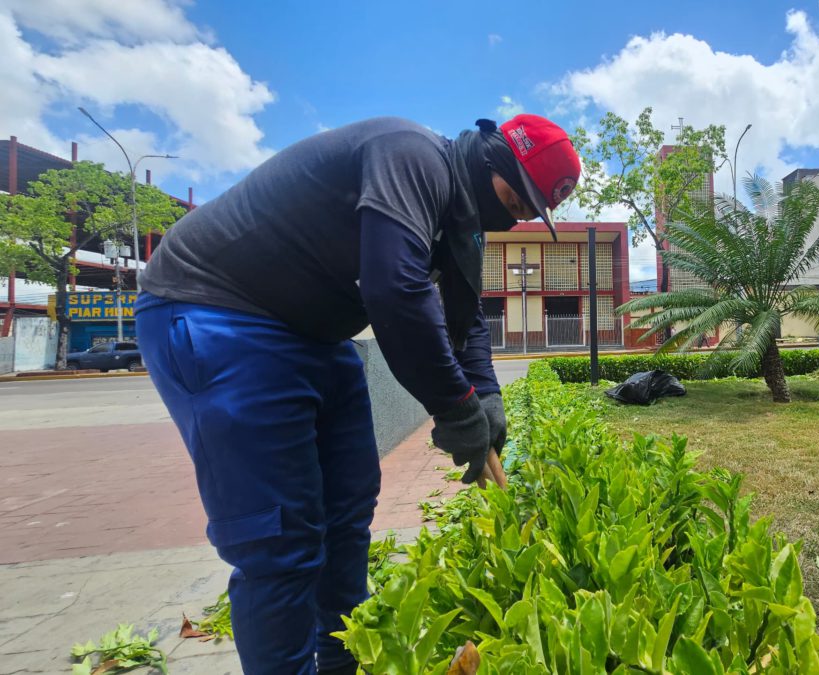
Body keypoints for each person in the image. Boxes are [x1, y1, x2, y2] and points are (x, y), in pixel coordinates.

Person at [135, 115, 580, 675]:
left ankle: (343, 664)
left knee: (346, 518)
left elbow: (465, 319)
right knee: (282, 541)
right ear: (492, 156)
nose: (515, 215)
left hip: (314, 334)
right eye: (515, 196)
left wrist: (485, 399)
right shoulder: (412, 155)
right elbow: (396, 289)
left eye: (529, 209)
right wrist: (453, 406)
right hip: (218, 311)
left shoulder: (461, 222)